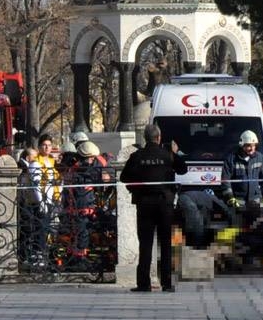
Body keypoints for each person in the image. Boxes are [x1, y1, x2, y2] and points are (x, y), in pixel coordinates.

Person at [120, 124, 187, 292]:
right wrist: (176, 152)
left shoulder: (137, 156)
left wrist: (135, 189)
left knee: (145, 244)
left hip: (144, 205)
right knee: (165, 244)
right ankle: (166, 283)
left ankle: (143, 284)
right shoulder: (168, 155)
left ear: (145, 138)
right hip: (165, 205)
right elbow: (183, 169)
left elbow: (124, 177)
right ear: (159, 137)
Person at [63, 140, 111, 268]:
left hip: (77, 205)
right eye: (91, 158)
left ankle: (73, 257)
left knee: (78, 233)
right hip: (81, 205)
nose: (92, 160)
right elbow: (102, 178)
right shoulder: (83, 169)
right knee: (82, 233)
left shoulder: (74, 166)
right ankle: (79, 259)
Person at [220, 130, 263, 227]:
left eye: (254, 145)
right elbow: (225, 181)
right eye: (248, 145)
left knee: (257, 227)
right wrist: (230, 198)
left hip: (256, 201)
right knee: (238, 228)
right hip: (238, 203)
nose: (252, 148)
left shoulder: (261, 159)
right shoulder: (231, 160)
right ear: (242, 145)